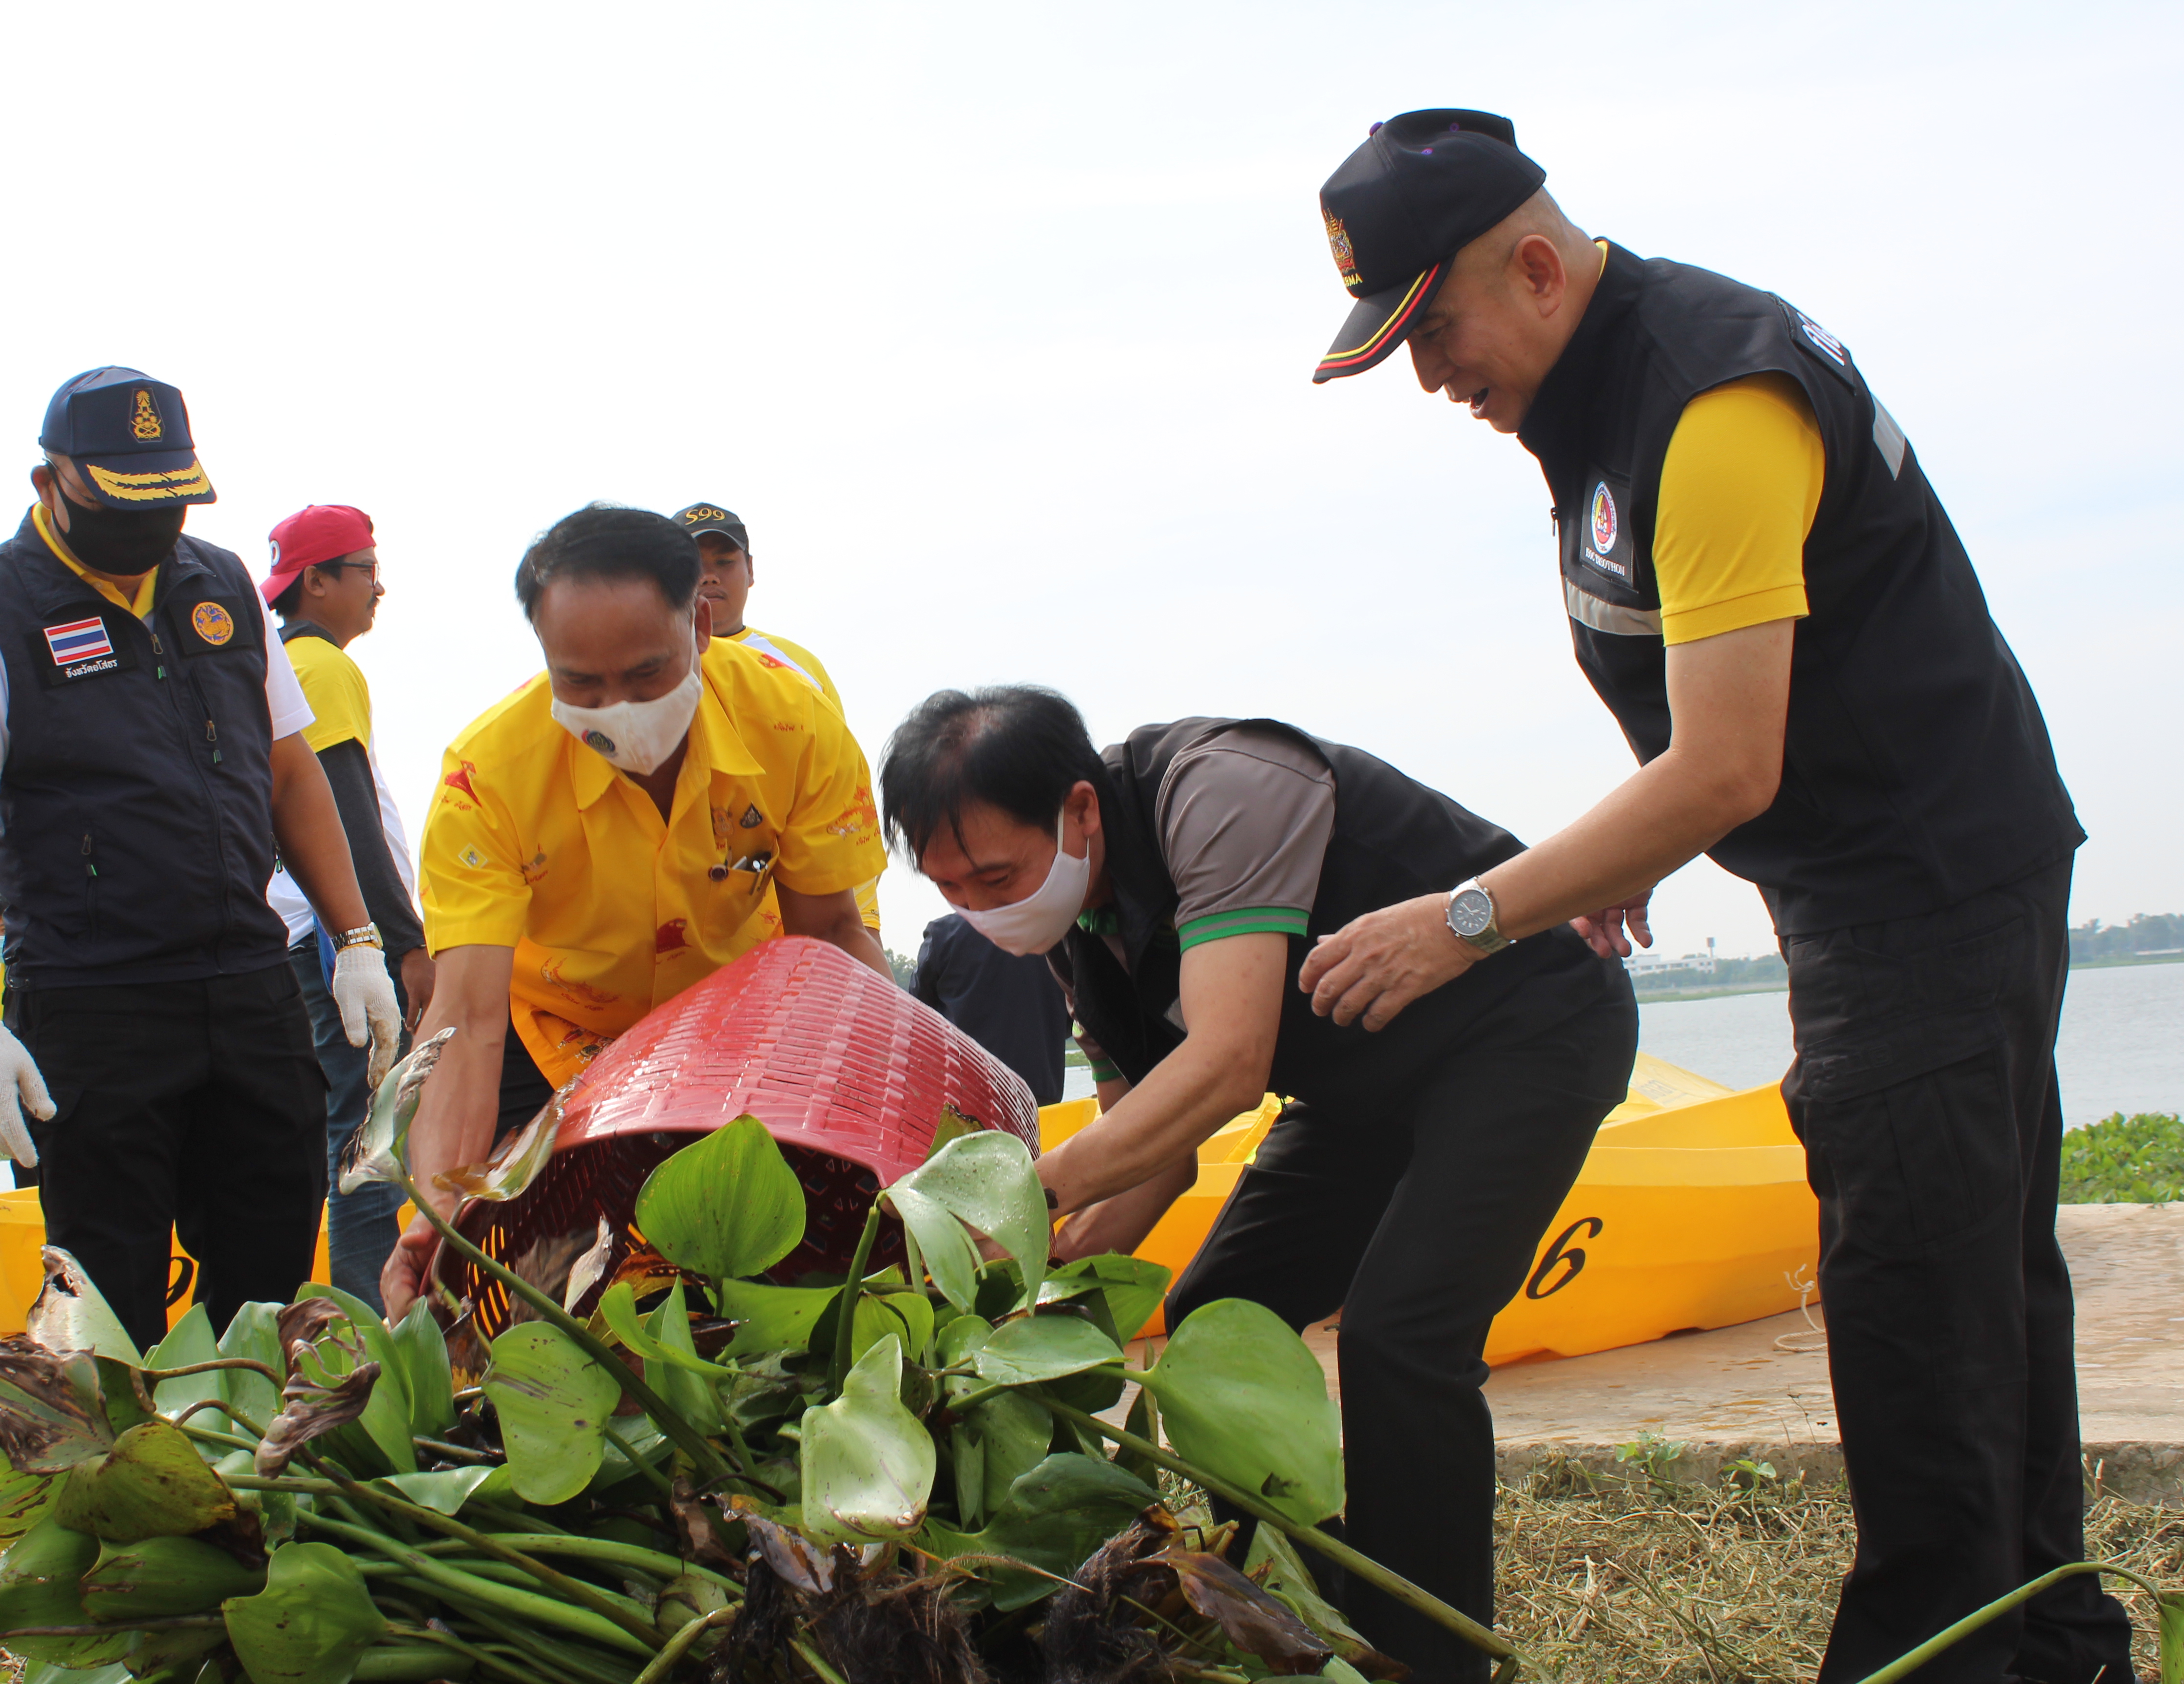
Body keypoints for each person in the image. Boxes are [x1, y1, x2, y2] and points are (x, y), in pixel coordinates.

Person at [1300, 110, 2127, 1684]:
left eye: (1436, 326)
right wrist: (1619, 858)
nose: (1429, 374)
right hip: (1889, 882)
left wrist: (1469, 913)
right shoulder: (1602, 391)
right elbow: (1691, 695)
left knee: (1913, 1317)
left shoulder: (1710, 392)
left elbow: (1728, 761)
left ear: (1533, 267)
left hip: (1924, 888)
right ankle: (2059, 1644)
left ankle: (1939, 1651)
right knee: (1979, 1290)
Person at [877, 687, 1634, 1681]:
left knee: (1401, 1340)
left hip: (1520, 1036)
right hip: (1362, 1089)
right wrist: (1021, 1271)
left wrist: (1019, 1194)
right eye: (951, 892)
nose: (982, 911)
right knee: (1217, 1312)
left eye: (995, 875)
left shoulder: (1220, 790)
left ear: (1080, 812)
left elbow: (1230, 1063)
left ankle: (1430, 1656)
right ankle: (1311, 1618)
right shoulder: (1076, 929)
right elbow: (1152, 1148)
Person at [0, 366, 400, 1352]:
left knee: (269, 1272)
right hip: (94, 1000)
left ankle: (264, 1471)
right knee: (110, 1282)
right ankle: (126, 1482)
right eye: (125, 501)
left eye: (170, 499)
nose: (153, 527)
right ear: (52, 483)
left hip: (245, 978)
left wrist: (356, 938)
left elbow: (290, 773)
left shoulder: (220, 586)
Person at [382, 503, 891, 1319]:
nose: (616, 709)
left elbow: (829, 934)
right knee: (541, 1295)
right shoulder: (487, 776)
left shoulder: (793, 725)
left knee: (765, 1279)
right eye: (580, 684)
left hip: (734, 1025)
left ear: (699, 621)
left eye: (646, 675)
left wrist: (903, 1128)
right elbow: (467, 1019)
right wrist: (442, 1212)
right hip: (550, 1032)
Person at [259, 502, 436, 1313]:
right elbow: (342, 817)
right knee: (368, 1144)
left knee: (343, 1136)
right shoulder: (320, 664)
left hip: (308, 938)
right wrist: (400, 942)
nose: (379, 588)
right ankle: (374, 1333)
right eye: (365, 570)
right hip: (339, 945)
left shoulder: (281, 663)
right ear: (317, 581)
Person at [674, 500, 883, 936]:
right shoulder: (643, 672)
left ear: (750, 570)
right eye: (693, 565)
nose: (709, 576)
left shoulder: (798, 671)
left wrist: (862, 921)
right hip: (687, 917)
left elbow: (842, 800)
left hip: (790, 919)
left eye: (725, 562)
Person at [910, 911, 1071, 1104]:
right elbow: (1075, 1013)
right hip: (1040, 1091)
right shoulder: (1056, 934)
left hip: (966, 1092)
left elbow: (917, 1012)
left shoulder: (944, 934)